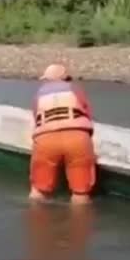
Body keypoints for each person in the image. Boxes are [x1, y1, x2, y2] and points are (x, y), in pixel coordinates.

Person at [29, 64, 97, 205]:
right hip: (77, 138)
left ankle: (36, 224)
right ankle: (79, 225)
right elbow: (88, 116)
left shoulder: (39, 94)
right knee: (80, 193)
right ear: (66, 78)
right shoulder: (75, 89)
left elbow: (37, 120)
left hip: (46, 139)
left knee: (38, 191)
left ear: (46, 79)